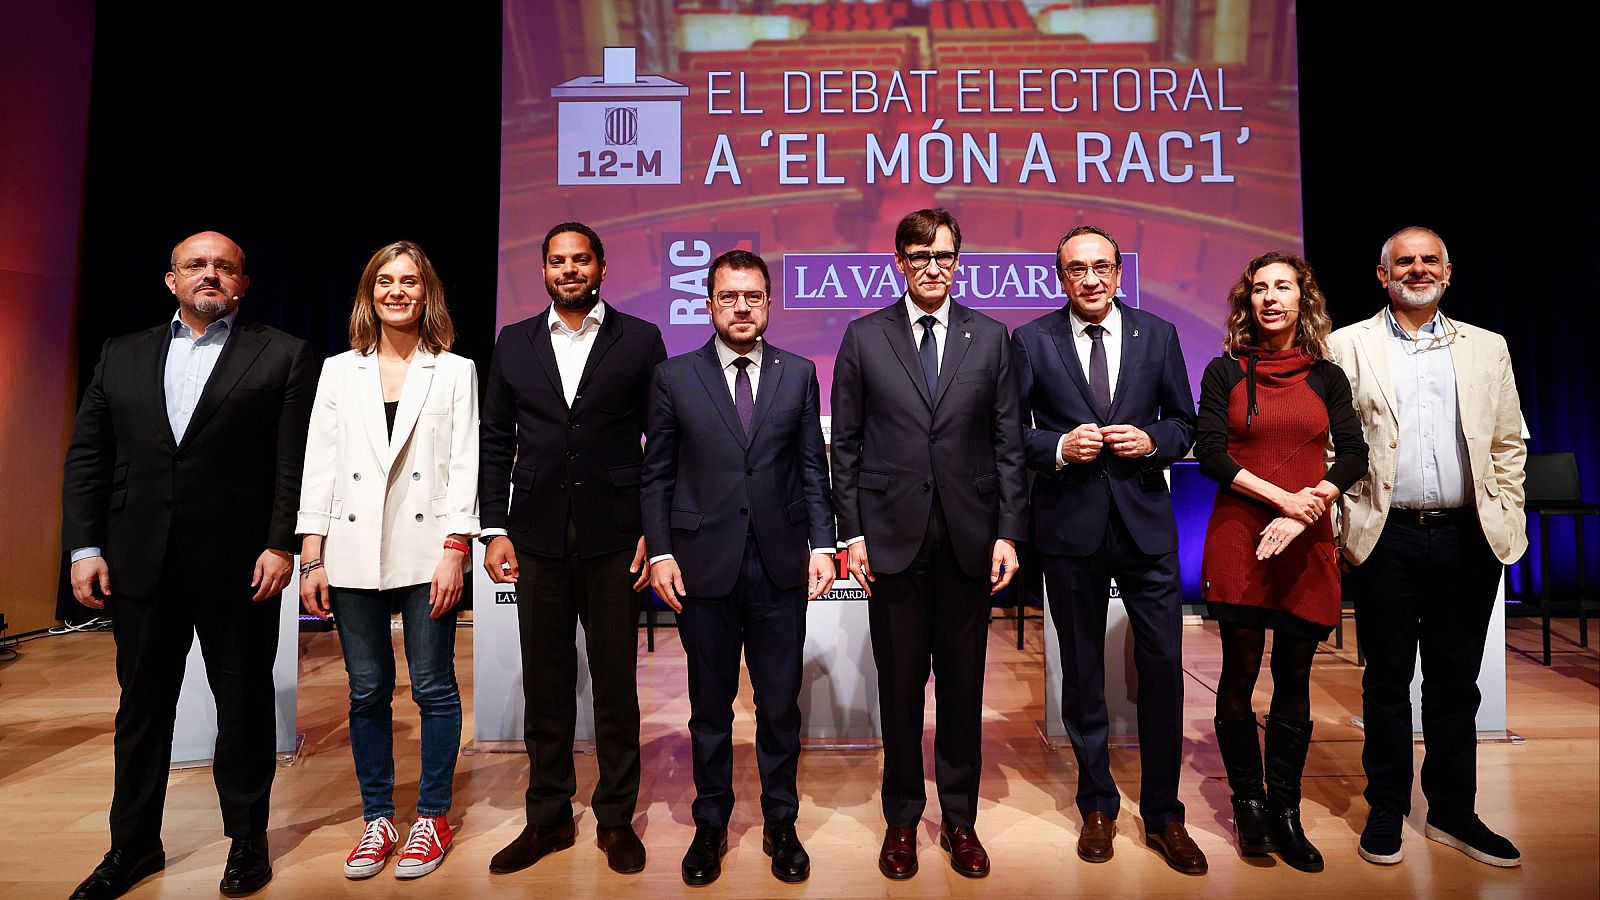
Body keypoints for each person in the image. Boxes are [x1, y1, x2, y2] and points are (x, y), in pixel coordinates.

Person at [61, 231, 316, 898]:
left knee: (244, 707)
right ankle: (134, 846)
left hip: (240, 565)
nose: (210, 274)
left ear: (243, 282)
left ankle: (246, 845)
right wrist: (84, 547)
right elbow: (89, 456)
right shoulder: (122, 354)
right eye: (196, 265)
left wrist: (280, 543)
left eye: (224, 266)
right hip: (138, 561)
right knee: (142, 710)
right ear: (170, 280)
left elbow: (292, 464)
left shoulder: (283, 354)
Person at [830, 208, 1027, 880]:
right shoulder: (863, 338)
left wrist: (1008, 531)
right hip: (889, 541)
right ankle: (903, 819)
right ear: (899, 262)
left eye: (942, 255)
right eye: (919, 256)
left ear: (958, 259)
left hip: (971, 541)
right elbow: (846, 446)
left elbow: (1008, 445)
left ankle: (962, 820)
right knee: (901, 688)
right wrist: (849, 532)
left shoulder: (993, 338)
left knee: (964, 688)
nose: (932, 267)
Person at [1330, 226, 1527, 868]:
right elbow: (1332, 447)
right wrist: (1339, 525)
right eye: (1404, 262)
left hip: (1468, 535)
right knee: (1386, 680)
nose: (1417, 269)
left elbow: (1507, 442)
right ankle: (1387, 806)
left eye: (1429, 260)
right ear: (1382, 275)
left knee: (1454, 684)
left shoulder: (1486, 347)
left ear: (1448, 270)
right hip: (1385, 535)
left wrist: (1509, 511)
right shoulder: (1346, 345)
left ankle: (1452, 811)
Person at [1010, 225, 1203, 874]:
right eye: (1075, 269)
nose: (1089, 279)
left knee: (1163, 670)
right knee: (1083, 672)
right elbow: (1010, 435)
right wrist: (1060, 448)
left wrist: (1153, 442)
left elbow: (1185, 424)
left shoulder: (1160, 335)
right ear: (1058, 277)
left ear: (1120, 274)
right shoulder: (1032, 340)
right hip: (1068, 529)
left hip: (1147, 530)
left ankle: (1165, 813)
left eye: (1101, 268)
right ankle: (1097, 803)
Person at [640, 250, 836, 886]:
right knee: (709, 708)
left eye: (753, 296)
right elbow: (657, 475)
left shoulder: (800, 374)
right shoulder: (674, 376)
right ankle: (710, 822)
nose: (742, 307)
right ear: (710, 304)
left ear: (769, 302)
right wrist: (663, 550)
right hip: (704, 567)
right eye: (729, 297)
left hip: (781, 566)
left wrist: (824, 544)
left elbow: (814, 468)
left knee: (780, 707)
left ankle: (782, 820)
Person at [479, 222, 665, 876]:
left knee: (616, 686)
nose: (568, 270)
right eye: (557, 260)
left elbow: (659, 444)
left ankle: (615, 820)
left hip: (617, 536)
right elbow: (496, 439)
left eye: (580, 259)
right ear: (544, 270)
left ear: (602, 267)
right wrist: (493, 527)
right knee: (548, 685)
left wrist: (653, 527)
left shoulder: (640, 340)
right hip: (534, 537)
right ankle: (549, 817)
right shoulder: (514, 342)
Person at [296, 241, 478, 880]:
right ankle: (378, 818)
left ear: (427, 292)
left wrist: (457, 547)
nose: (396, 292)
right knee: (368, 688)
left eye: (409, 282)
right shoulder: (337, 370)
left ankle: (432, 815)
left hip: (428, 551)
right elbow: (319, 462)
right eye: (384, 282)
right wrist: (310, 552)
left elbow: (464, 468)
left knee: (432, 686)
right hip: (349, 553)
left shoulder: (454, 371)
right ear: (368, 293)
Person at [1192, 252, 1368, 872]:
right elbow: (1210, 451)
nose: (1271, 298)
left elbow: (1353, 453)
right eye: (1260, 289)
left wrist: (1305, 510)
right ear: (1248, 302)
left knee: (1295, 678)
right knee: (1239, 672)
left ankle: (1286, 810)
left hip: (1305, 541)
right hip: (1242, 537)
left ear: (1302, 300)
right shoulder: (1224, 372)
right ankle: (1248, 806)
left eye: (1283, 288)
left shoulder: (1327, 377)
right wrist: (1279, 500)